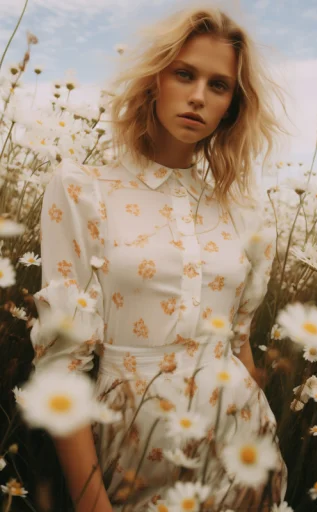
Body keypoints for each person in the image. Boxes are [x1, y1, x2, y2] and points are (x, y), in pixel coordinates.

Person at [31, 4, 289, 511]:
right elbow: (60, 366)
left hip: (239, 445)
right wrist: (92, 505)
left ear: (232, 105)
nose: (198, 96)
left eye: (219, 86)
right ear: (154, 81)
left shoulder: (246, 210)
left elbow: (239, 344)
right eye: (185, 74)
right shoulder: (84, 189)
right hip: (132, 452)